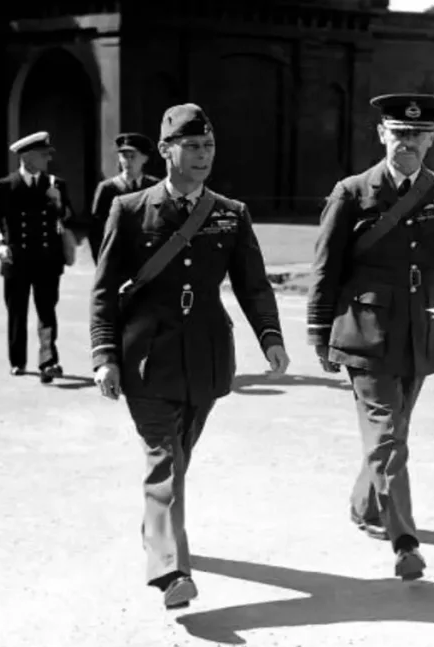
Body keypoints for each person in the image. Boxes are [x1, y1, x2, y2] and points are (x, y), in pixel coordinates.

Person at [89, 103, 290, 610]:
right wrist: (104, 355)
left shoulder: (230, 213)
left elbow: (252, 284)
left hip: (206, 355)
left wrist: (270, 336)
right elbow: (105, 289)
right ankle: (170, 570)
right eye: (193, 146)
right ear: (166, 150)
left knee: (179, 459)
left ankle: (156, 531)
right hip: (147, 358)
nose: (203, 156)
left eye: (209, 147)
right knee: (164, 461)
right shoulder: (130, 209)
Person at [306, 93, 434, 581]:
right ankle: (404, 541)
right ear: (382, 135)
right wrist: (320, 332)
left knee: (394, 432)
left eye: (417, 135)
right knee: (388, 437)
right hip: (366, 333)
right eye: (399, 133)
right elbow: (325, 267)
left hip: (424, 329)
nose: (407, 143)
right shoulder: (352, 192)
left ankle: (365, 505)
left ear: (431, 139)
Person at [0, 131, 73, 384]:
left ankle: (48, 361)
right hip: (16, 259)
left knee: (47, 311)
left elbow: (69, 216)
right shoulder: (4, 186)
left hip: (47, 259)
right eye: (43, 155)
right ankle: (17, 360)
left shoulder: (55, 184)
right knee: (17, 312)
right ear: (27, 157)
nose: (48, 160)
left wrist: (59, 205)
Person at [88, 132, 161, 263]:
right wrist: (101, 261)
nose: (127, 161)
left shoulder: (154, 186)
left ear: (145, 158)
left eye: (132, 156)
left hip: (147, 257)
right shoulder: (108, 188)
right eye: (124, 156)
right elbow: (96, 229)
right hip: (117, 256)